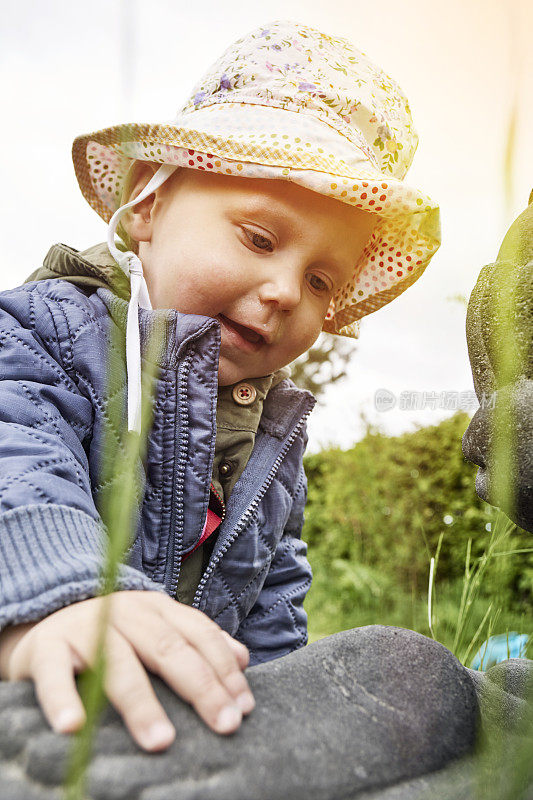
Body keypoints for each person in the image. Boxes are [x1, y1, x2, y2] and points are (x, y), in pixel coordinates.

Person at [0, 20, 440, 754]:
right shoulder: (44, 333)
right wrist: (66, 596)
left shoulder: (273, 438)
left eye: (319, 281)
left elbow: (271, 591)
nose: (282, 291)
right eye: (260, 239)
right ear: (146, 205)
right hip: (36, 648)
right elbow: (16, 457)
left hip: (176, 721)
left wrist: (278, 704)